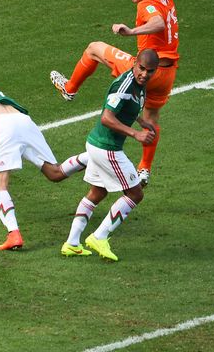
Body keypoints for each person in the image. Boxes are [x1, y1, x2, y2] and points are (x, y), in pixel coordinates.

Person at [50, 0, 178, 187]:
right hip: (167, 74)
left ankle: (69, 89)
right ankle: (144, 170)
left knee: (94, 48)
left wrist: (131, 31)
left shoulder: (147, 5)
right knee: (151, 119)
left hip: (143, 69)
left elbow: (156, 22)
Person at [0, 65, 89, 251]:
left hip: (3, 126)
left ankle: (14, 234)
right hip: (24, 122)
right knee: (55, 173)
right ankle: (91, 157)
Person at [60, 49, 158, 261]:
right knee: (135, 194)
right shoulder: (124, 84)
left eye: (150, 71)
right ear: (135, 64)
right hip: (107, 148)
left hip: (98, 145)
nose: (144, 74)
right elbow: (107, 117)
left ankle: (72, 243)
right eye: (141, 68)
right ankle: (99, 236)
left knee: (97, 192)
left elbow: (128, 107)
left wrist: (141, 121)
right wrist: (135, 134)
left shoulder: (140, 86)